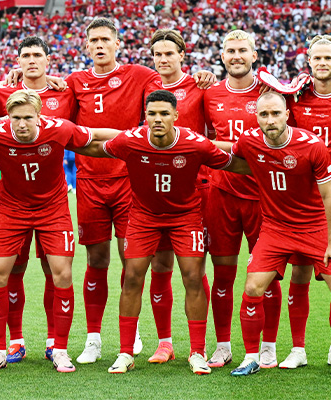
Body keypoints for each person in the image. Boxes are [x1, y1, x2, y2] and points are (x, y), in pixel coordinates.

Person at [0, 89, 116, 373]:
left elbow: (95, 136)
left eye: (28, 117)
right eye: (16, 118)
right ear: (8, 117)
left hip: (53, 209)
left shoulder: (59, 129)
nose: (22, 123)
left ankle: (60, 350)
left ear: (39, 116)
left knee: (62, 273)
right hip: (11, 210)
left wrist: (139, 136)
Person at [99, 90, 249, 375]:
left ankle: (197, 352)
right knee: (132, 277)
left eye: (164, 113)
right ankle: (126, 353)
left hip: (185, 218)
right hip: (143, 217)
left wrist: (273, 165)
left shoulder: (195, 143)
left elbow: (232, 162)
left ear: (176, 116)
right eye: (152, 114)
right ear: (145, 116)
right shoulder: (129, 140)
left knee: (193, 276)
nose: (158, 119)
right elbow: (95, 147)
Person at [225, 91, 331, 378]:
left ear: (287, 115)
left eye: (276, 113)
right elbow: (232, 157)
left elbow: (330, 196)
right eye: (264, 114)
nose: (270, 120)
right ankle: (251, 357)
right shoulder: (248, 141)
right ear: (256, 117)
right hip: (275, 228)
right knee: (253, 288)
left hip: (314, 226)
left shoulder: (312, 146)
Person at [258, 35, 331, 369]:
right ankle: (298, 349)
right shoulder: (294, 99)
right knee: (300, 274)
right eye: (316, 58)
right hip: (300, 204)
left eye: (328, 58)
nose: (322, 63)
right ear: (308, 61)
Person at [66, 17, 161, 364]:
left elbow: (170, 94)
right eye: (94, 40)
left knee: (131, 262)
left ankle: (129, 332)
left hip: (129, 182)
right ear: (86, 46)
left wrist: (204, 77)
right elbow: (60, 120)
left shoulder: (140, 75)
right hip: (90, 182)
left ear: (117, 43)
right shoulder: (74, 81)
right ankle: (93, 339)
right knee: (96, 260)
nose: (99, 45)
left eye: (105, 39)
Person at [0, 36, 74, 363]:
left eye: (38, 55)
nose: (32, 60)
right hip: (13, 204)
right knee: (10, 271)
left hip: (52, 203)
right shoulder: (0, 92)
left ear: (49, 60)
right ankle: (14, 342)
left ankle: (55, 344)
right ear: (18, 61)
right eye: (26, 55)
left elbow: (89, 133)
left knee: (56, 271)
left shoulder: (67, 91)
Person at [203, 29, 282, 369]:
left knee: (268, 276)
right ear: (222, 56)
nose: (236, 56)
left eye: (242, 50)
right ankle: (223, 346)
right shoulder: (209, 94)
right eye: (230, 51)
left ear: (254, 55)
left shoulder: (272, 94)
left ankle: (269, 346)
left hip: (265, 198)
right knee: (223, 275)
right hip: (221, 194)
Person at [143, 28, 212, 364]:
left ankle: (201, 346)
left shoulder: (200, 86)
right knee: (160, 265)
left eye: (169, 53)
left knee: (194, 269)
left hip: (196, 189)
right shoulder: (146, 88)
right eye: (157, 54)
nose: (163, 59)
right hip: (156, 190)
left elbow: (216, 130)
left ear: (182, 55)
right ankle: (165, 343)